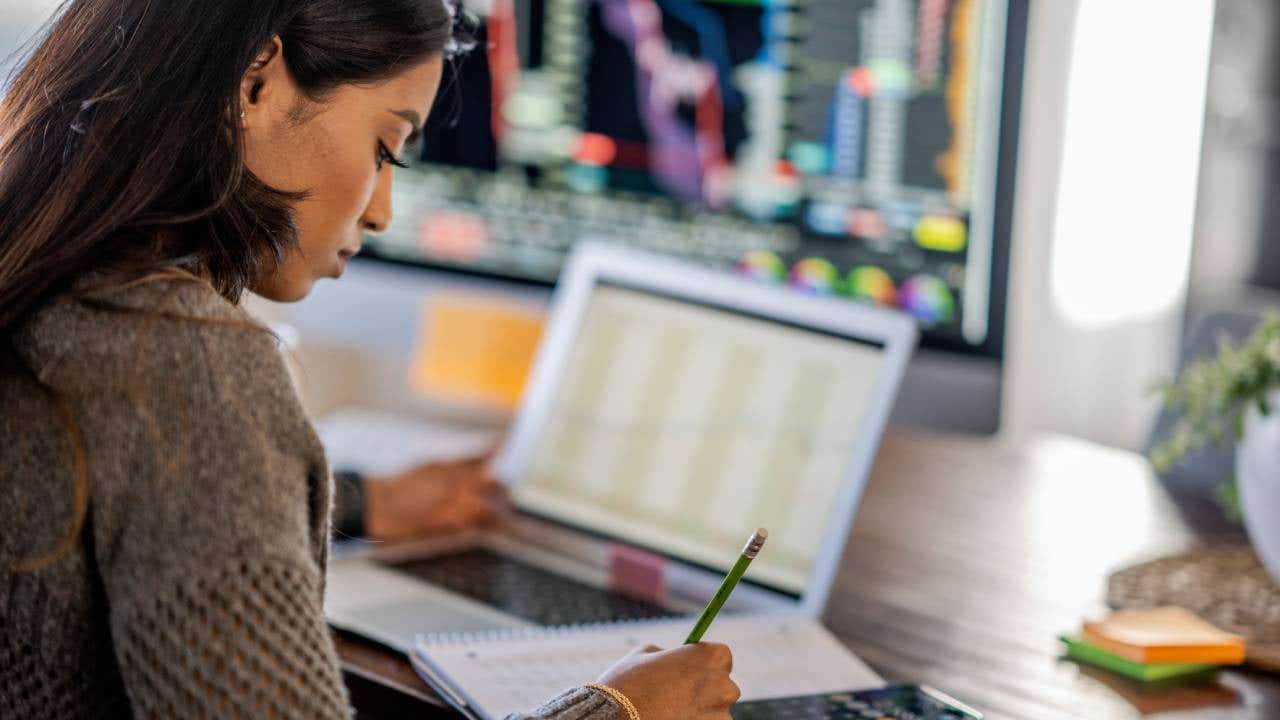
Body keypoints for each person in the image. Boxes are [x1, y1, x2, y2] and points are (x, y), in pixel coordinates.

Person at [0, 1, 741, 718]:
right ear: (256, 80)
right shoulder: (191, 368)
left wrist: (360, 503)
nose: (382, 210)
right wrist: (620, 710)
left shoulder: (47, 285)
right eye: (386, 146)